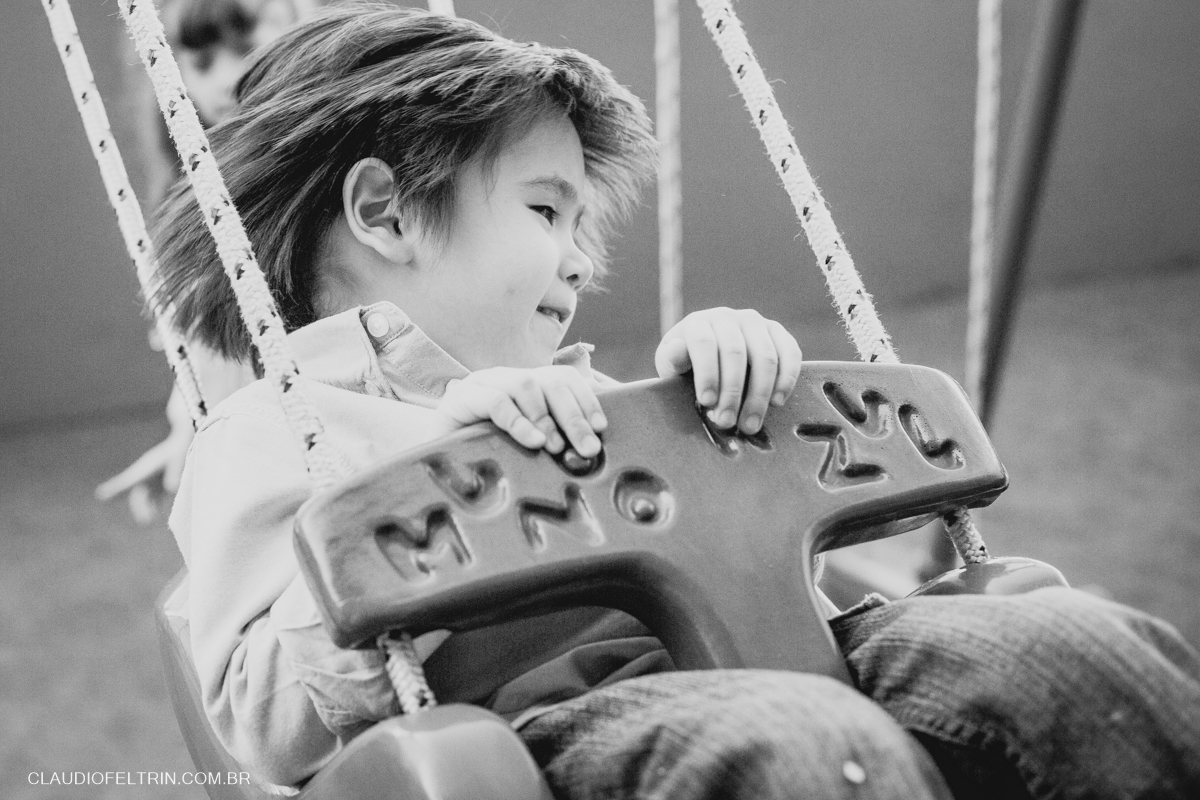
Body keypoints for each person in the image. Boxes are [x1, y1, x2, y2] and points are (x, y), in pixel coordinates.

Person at [151, 4, 1200, 798]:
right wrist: (449, 484)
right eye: (547, 209)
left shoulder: (588, 393)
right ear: (384, 209)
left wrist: (727, 405)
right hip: (559, 733)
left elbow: (765, 556)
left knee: (1075, 650)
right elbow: (265, 720)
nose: (579, 263)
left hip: (799, 651)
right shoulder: (274, 429)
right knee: (806, 747)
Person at [98, 0, 323, 521]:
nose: (226, 77)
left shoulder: (333, 159)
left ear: (295, 23)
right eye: (201, 65)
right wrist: (191, 433)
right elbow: (209, 353)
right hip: (265, 460)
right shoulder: (194, 200)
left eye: (244, 48)